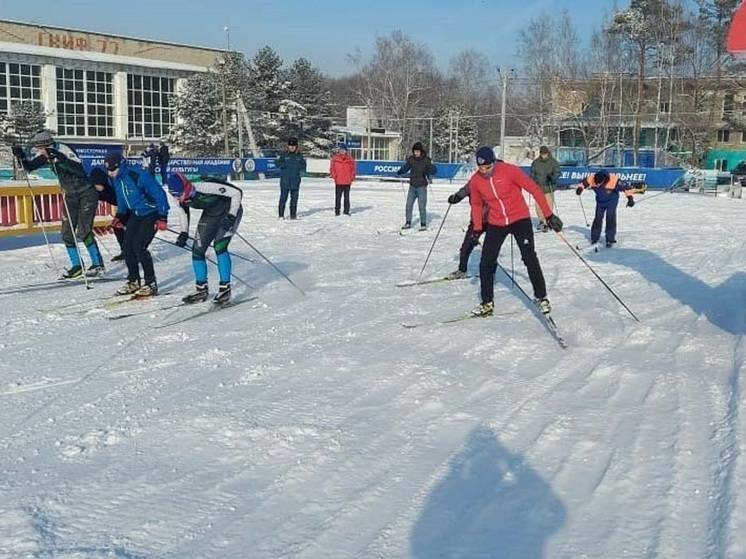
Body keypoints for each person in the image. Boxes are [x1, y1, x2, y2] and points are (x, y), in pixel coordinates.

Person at [467, 146, 563, 317]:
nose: (484, 171)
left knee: (529, 257)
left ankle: (541, 297)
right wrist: (477, 228)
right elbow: (476, 204)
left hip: (519, 219)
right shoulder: (476, 181)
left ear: (494, 163)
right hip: (496, 223)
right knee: (486, 262)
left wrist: (548, 215)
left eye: (487, 167)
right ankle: (487, 303)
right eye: (480, 168)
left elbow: (534, 189)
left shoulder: (510, 171)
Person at [12, 130, 104, 278]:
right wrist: (20, 156)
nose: (39, 152)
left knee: (83, 230)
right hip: (70, 195)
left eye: (40, 148)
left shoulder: (63, 149)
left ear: (47, 144)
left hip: (86, 192)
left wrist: (60, 158)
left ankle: (97, 263)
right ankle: (77, 265)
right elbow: (30, 167)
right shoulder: (44, 155)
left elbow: (79, 170)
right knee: (67, 233)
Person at [166, 173, 243, 304]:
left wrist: (231, 215)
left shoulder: (203, 186)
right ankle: (201, 289)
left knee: (220, 245)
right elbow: (183, 212)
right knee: (197, 250)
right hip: (210, 214)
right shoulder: (177, 195)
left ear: (186, 187)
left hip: (229, 209)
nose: (177, 199)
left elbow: (237, 192)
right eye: (174, 196)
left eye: (179, 195)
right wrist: (183, 232)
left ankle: (225, 288)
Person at [104, 153, 169, 297]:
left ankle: (150, 283)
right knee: (127, 247)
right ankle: (133, 281)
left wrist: (163, 217)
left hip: (151, 213)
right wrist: (120, 216)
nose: (110, 173)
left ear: (121, 166)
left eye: (113, 170)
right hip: (136, 213)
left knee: (139, 247)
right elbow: (121, 198)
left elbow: (160, 194)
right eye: (108, 171)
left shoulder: (138, 174)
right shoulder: (117, 179)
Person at [576, 170, 636, 248]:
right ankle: (594, 237)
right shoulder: (592, 178)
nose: (597, 185)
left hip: (612, 200)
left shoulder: (614, 180)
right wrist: (580, 189)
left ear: (604, 180)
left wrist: (630, 199)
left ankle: (610, 239)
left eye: (599, 183)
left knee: (610, 217)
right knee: (598, 218)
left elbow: (627, 188)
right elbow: (582, 183)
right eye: (596, 183)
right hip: (600, 201)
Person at [446, 183, 489, 279]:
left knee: (490, 249)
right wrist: (456, 197)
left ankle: (490, 272)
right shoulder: (474, 182)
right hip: (476, 220)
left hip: (493, 220)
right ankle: (462, 270)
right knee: (466, 246)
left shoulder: (494, 182)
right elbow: (464, 190)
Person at [397, 142, 436, 231]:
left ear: (421, 151)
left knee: (421, 206)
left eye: (418, 151)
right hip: (412, 186)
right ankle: (408, 222)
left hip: (422, 187)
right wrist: (400, 171)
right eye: (415, 151)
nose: (416, 153)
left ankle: (423, 224)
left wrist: (432, 165)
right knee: (408, 205)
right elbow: (406, 167)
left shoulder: (426, 160)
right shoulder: (411, 159)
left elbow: (433, 171)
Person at [89, 166, 125, 262]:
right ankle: (125, 251)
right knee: (116, 227)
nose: (97, 187)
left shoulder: (112, 188)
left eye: (98, 184)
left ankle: (135, 252)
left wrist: (119, 216)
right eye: (95, 184)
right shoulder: (97, 191)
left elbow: (122, 200)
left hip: (128, 207)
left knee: (130, 229)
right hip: (121, 208)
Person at [530, 146, 561, 232]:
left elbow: (558, 172)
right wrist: (533, 181)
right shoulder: (536, 163)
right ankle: (542, 221)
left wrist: (552, 177)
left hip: (548, 187)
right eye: (542, 154)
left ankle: (548, 220)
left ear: (548, 153)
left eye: (545, 154)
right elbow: (532, 174)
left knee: (548, 204)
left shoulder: (553, 162)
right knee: (538, 205)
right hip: (538, 187)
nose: (543, 155)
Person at [277, 137, 306, 219]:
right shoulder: (284, 155)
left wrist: (299, 171)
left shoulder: (299, 156)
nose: (292, 147)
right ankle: (281, 215)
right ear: (288, 146)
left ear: (296, 146)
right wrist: (284, 165)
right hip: (285, 181)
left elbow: (303, 166)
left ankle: (293, 215)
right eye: (290, 145)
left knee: (294, 200)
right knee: (283, 198)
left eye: (293, 145)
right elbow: (278, 164)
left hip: (295, 181)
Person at [329, 144, 356, 216]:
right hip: (339, 181)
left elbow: (353, 169)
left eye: (343, 150)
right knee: (338, 197)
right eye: (341, 150)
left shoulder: (350, 159)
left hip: (347, 181)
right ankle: (337, 211)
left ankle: (346, 211)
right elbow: (332, 169)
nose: (342, 151)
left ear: (346, 151)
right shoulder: (335, 159)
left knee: (346, 197)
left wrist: (352, 177)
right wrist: (335, 176)